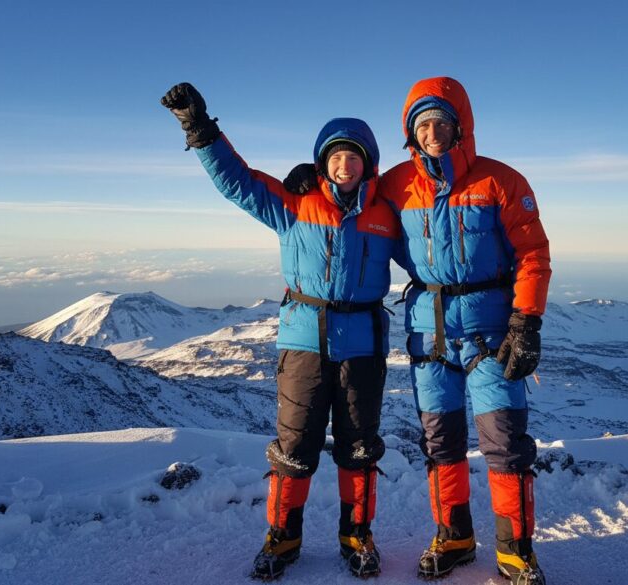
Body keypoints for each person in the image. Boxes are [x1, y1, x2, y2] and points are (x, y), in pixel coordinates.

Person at [283, 76, 551, 584]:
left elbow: (533, 253)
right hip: (429, 334)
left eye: (440, 122)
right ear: (411, 132)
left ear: (460, 127)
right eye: (421, 124)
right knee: (440, 442)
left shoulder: (501, 181)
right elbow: (348, 190)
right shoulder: (397, 184)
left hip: (491, 331)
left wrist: (527, 320)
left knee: (505, 441)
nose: (431, 132)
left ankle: (516, 551)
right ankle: (454, 536)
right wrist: (309, 176)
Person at [161, 82, 399, 580]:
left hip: (363, 346)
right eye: (334, 157)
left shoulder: (387, 212)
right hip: (304, 343)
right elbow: (238, 181)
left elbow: (433, 236)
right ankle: (283, 536)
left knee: (359, 449)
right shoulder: (295, 204)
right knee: (294, 447)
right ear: (321, 162)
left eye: (353, 157)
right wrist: (199, 128)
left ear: (368, 164)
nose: (344, 166)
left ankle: (357, 536)